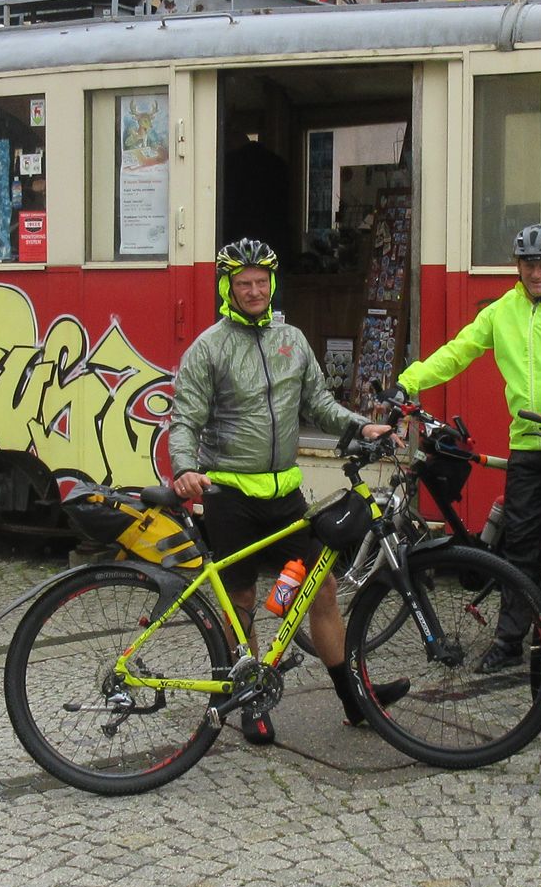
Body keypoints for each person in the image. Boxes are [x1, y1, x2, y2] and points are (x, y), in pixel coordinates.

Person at [167, 239, 392, 745]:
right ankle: (249, 700)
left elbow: (320, 405)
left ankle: (353, 701)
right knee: (242, 600)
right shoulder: (209, 347)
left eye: (261, 282)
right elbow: (184, 420)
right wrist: (184, 469)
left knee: (322, 588)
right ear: (227, 288)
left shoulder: (291, 340)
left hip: (286, 495)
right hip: (229, 496)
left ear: (272, 285)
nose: (254, 291)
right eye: (243, 283)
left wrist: (360, 426)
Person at [399, 222, 541, 671]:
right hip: (529, 447)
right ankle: (509, 639)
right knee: (519, 546)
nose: (536, 273)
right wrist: (410, 381)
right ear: (517, 266)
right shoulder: (501, 312)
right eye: (528, 264)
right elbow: (459, 351)